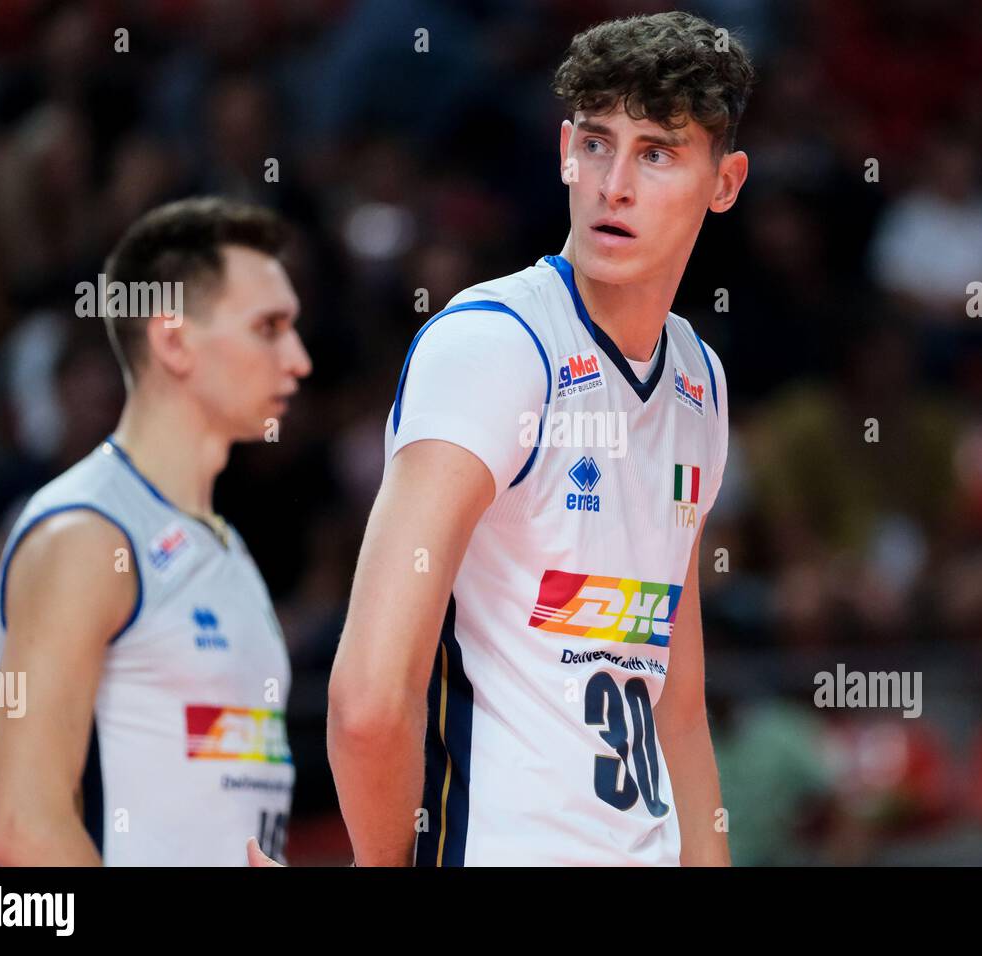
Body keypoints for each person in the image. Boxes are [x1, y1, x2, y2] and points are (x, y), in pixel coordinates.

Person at [254, 10, 752, 866]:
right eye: (597, 143)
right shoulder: (495, 347)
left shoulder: (700, 379)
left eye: (657, 153)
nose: (614, 184)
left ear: (725, 181)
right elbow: (371, 698)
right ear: (564, 150)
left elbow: (677, 698)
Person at [0, 197, 312, 865]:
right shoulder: (87, 535)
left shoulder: (223, 543)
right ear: (172, 340)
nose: (299, 358)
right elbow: (23, 826)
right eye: (269, 328)